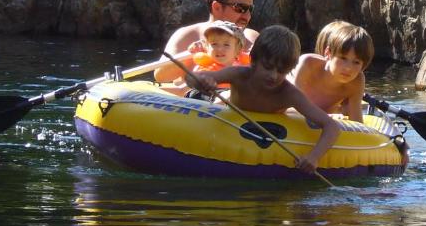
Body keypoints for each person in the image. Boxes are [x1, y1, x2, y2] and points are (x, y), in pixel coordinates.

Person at [184, 25, 341, 176]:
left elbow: (331, 126)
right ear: (253, 61)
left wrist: (314, 156)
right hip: (229, 119)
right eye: (267, 67)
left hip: (269, 138)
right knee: (212, 97)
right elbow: (190, 78)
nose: (273, 76)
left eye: (281, 71)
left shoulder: (289, 93)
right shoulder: (238, 75)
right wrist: (202, 82)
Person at [292, 20, 373, 124]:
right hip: (287, 113)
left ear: (363, 65)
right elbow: (290, 105)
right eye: (343, 58)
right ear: (328, 53)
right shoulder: (308, 64)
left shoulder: (357, 81)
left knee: (345, 109)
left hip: (322, 121)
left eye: (356, 62)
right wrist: (328, 117)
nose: (348, 68)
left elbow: (357, 123)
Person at [162, 0, 259, 57]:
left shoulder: (251, 38)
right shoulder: (186, 36)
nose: (247, 17)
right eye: (241, 8)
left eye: (250, 9)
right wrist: (193, 55)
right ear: (217, 7)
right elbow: (160, 75)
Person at [153, 20, 249, 87]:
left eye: (226, 45)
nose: (219, 49)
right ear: (206, 47)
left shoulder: (244, 66)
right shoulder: (204, 68)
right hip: (207, 99)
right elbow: (190, 84)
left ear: (238, 50)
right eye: (214, 44)